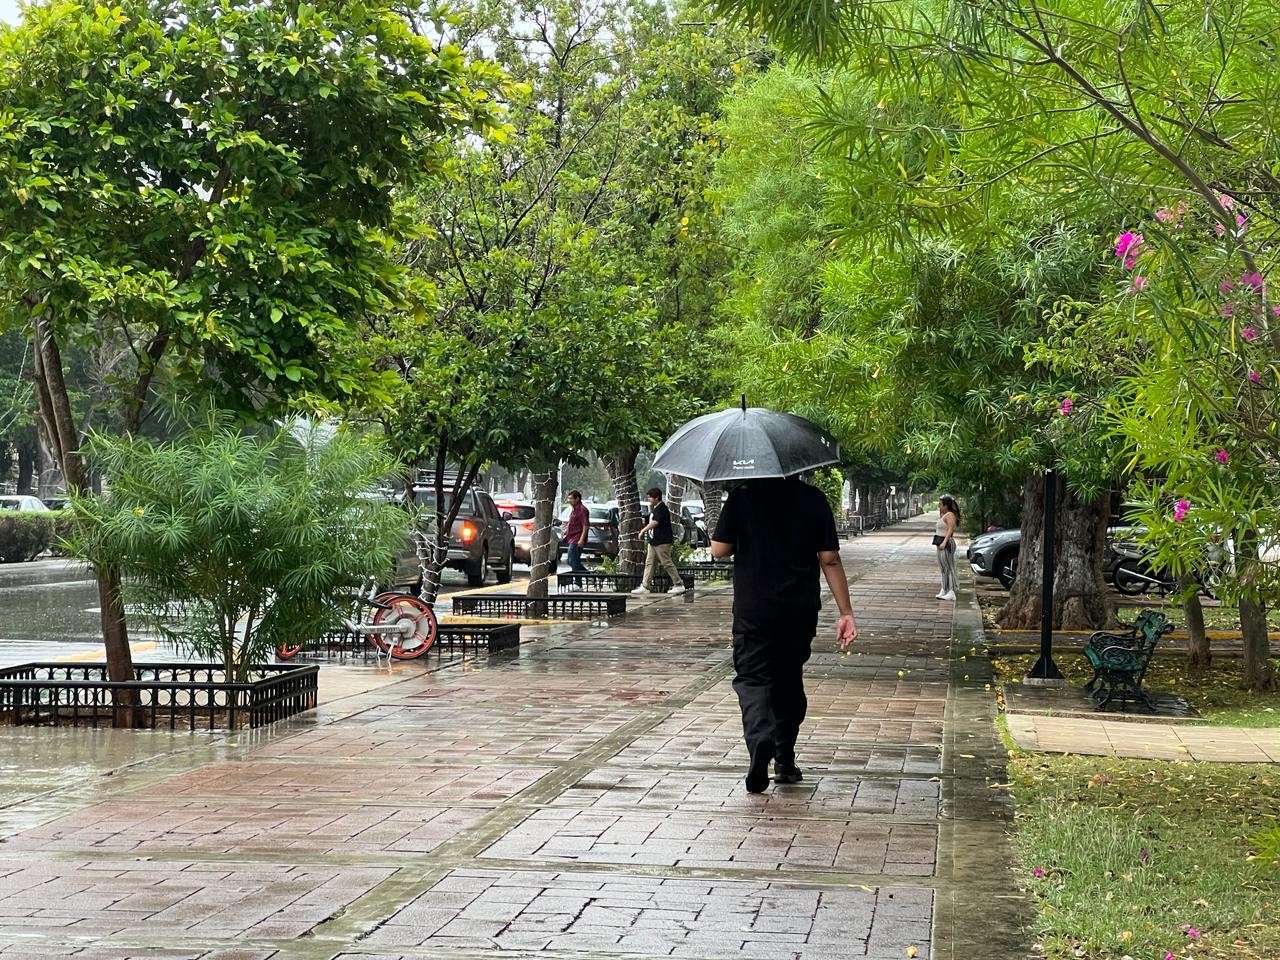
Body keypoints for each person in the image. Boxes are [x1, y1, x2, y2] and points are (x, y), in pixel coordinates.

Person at [711, 476, 858, 793]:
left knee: (753, 678)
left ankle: (760, 737)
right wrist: (846, 612)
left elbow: (719, 550)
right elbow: (829, 558)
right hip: (799, 608)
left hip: (753, 609)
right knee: (788, 677)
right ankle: (784, 760)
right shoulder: (813, 498)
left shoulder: (741, 497)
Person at [632, 487, 687, 596]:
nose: (649, 499)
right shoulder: (655, 508)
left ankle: (679, 584)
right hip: (654, 541)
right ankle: (645, 586)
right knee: (649, 563)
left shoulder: (662, 508)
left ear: (656, 497)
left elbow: (655, 522)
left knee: (666, 562)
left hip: (662, 541)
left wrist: (643, 530)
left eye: (650, 497)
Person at [935, 496, 960, 601]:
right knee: (943, 568)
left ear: (946, 505)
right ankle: (944, 589)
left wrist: (945, 542)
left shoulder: (950, 515)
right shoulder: (943, 515)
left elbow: (950, 530)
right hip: (939, 542)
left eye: (941, 504)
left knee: (948, 567)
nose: (939, 506)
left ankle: (951, 590)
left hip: (947, 543)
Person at [562, 490, 590, 574]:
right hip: (572, 538)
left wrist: (581, 539)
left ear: (577, 499)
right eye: (568, 498)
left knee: (572, 561)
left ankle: (589, 577)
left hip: (577, 539)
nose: (569, 501)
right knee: (573, 561)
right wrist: (566, 531)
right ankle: (583, 580)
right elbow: (574, 524)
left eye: (571, 498)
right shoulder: (574, 510)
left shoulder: (582, 510)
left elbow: (586, 525)